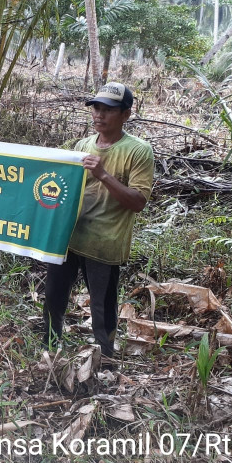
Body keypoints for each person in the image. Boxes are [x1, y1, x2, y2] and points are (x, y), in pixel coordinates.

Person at [43, 82, 154, 360]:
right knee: (54, 298)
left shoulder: (138, 151)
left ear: (126, 114)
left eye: (108, 110)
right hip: (68, 237)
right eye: (96, 109)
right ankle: (49, 348)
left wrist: (104, 174)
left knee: (102, 308)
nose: (99, 115)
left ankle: (105, 357)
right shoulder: (82, 145)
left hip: (104, 243)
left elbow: (138, 202)